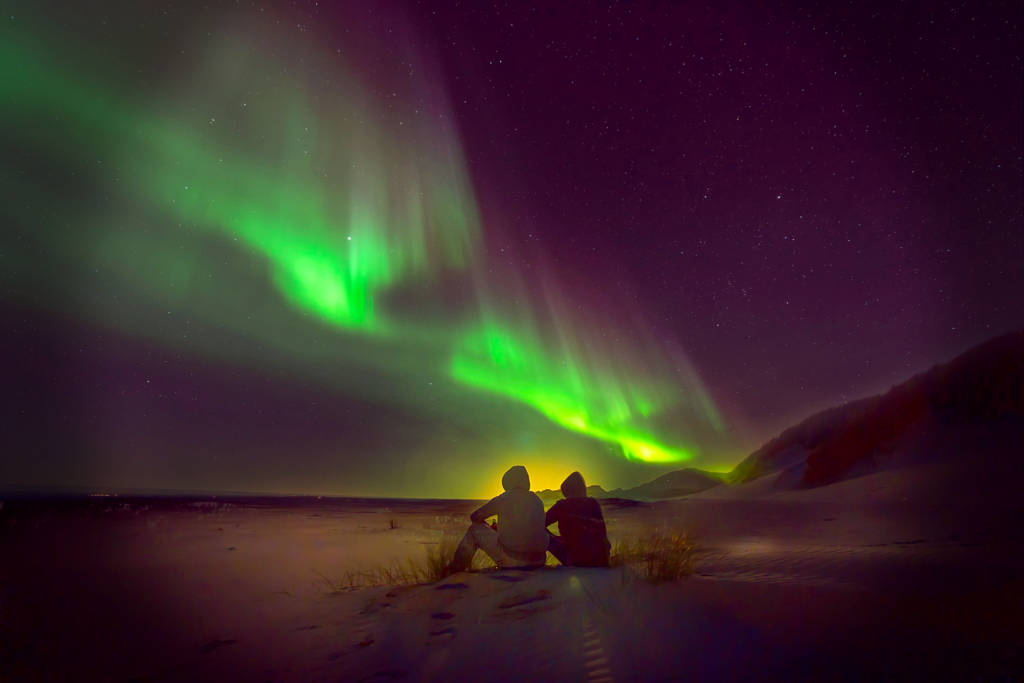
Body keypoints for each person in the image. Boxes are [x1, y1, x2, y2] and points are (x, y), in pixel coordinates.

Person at [445, 465, 549, 574]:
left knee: (474, 529)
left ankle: (455, 570)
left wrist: (485, 524)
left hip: (513, 561)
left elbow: (474, 517)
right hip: (539, 561)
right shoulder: (538, 501)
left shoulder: (504, 498)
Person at [545, 471, 611, 567]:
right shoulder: (594, 504)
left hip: (575, 560)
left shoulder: (563, 505)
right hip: (601, 559)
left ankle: (531, 560)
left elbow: (540, 522)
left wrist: (552, 536)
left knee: (542, 533)